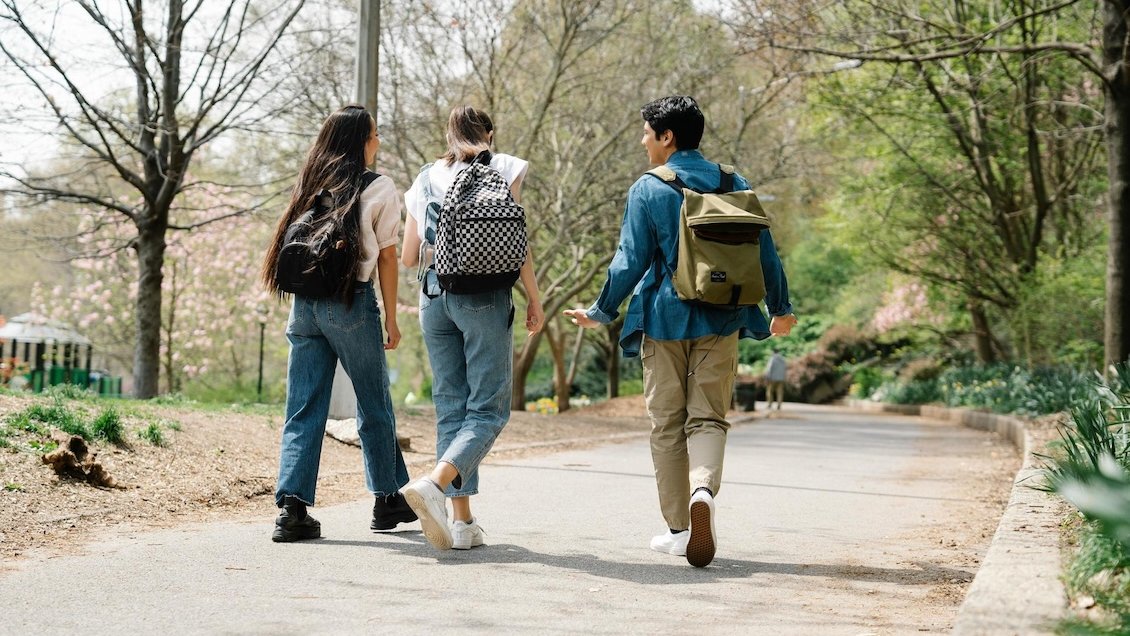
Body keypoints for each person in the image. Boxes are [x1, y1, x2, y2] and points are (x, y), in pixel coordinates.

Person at [564, 96, 797, 568]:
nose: (642, 140)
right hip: (724, 318)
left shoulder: (648, 189)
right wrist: (781, 308)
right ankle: (703, 490)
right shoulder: (735, 183)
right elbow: (764, 254)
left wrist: (601, 310)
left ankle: (678, 529)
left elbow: (629, 261)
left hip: (665, 318)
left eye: (647, 132)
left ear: (667, 136)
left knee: (667, 425)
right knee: (708, 418)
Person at [261, 105, 416, 542]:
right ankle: (387, 500)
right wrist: (391, 316)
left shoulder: (311, 180)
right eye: (375, 135)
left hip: (304, 306)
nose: (378, 142)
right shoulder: (379, 187)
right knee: (373, 402)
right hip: (350, 303)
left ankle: (292, 511)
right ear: (360, 142)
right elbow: (388, 255)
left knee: (303, 408)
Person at [399, 105, 545, 550]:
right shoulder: (503, 167)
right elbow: (515, 243)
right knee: (488, 411)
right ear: (490, 133)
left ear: (448, 135)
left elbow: (408, 257)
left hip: (432, 297)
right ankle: (436, 485)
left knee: (452, 407)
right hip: (482, 298)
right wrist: (535, 299)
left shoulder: (424, 178)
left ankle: (462, 524)